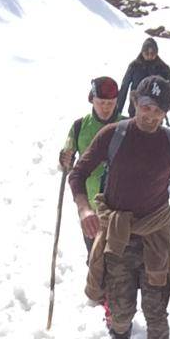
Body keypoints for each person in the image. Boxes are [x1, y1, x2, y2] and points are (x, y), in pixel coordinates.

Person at [68, 76, 170, 339]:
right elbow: (78, 174)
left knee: (157, 311)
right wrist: (85, 210)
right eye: (145, 107)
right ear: (135, 103)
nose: (150, 115)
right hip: (118, 235)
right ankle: (120, 336)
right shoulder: (114, 135)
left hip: (155, 236)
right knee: (121, 305)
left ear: (166, 111)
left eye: (158, 109)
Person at [59, 76, 123, 258]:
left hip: (121, 210)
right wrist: (66, 158)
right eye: (101, 102)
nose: (105, 107)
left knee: (120, 264)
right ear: (92, 100)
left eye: (110, 103)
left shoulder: (127, 125)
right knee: (95, 259)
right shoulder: (80, 127)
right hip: (91, 208)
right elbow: (68, 157)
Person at [117, 38, 170, 118]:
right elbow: (124, 87)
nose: (149, 56)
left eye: (152, 53)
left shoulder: (163, 68)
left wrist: (164, 90)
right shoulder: (134, 66)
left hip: (155, 110)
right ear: (142, 52)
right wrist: (118, 111)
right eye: (147, 53)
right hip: (136, 108)